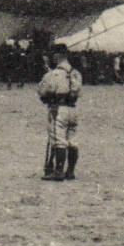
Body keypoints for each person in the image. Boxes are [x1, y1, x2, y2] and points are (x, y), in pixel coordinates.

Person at [37, 47, 83, 181]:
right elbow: (78, 91)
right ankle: (70, 171)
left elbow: (42, 91)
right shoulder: (76, 73)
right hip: (73, 109)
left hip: (58, 109)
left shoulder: (53, 74)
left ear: (57, 56)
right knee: (72, 140)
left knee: (58, 140)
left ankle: (58, 171)